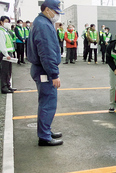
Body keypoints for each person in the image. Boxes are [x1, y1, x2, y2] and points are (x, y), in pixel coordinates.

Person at [27, 0, 64, 146]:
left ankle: (46, 131)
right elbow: (46, 52)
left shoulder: (41, 22)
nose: (57, 15)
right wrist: (54, 74)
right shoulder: (43, 25)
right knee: (48, 103)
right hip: (44, 70)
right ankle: (44, 136)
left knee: (46, 102)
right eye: (55, 11)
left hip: (41, 68)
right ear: (47, 9)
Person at [0, 16, 17, 94]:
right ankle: (4, 87)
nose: (8, 23)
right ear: (1, 22)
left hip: (8, 53)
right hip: (4, 54)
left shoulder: (6, 31)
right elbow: (2, 44)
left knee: (9, 71)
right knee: (4, 71)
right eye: (6, 21)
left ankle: (8, 85)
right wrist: (6, 54)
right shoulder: (1, 31)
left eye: (8, 22)